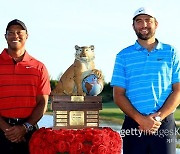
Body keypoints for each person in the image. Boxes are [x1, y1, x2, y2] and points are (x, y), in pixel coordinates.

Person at [111, 7, 180, 154]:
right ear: (133, 26)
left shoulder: (171, 52)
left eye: (148, 20)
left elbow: (178, 90)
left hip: (165, 123)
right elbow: (118, 95)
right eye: (139, 21)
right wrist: (141, 120)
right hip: (133, 124)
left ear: (156, 24)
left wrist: (158, 117)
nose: (144, 25)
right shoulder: (123, 56)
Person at [0, 19, 51, 154]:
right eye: (10, 33)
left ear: (26, 36)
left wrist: (24, 127)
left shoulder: (39, 67)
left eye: (19, 32)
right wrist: (6, 129)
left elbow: (42, 102)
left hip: (29, 133)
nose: (15, 36)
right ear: (5, 37)